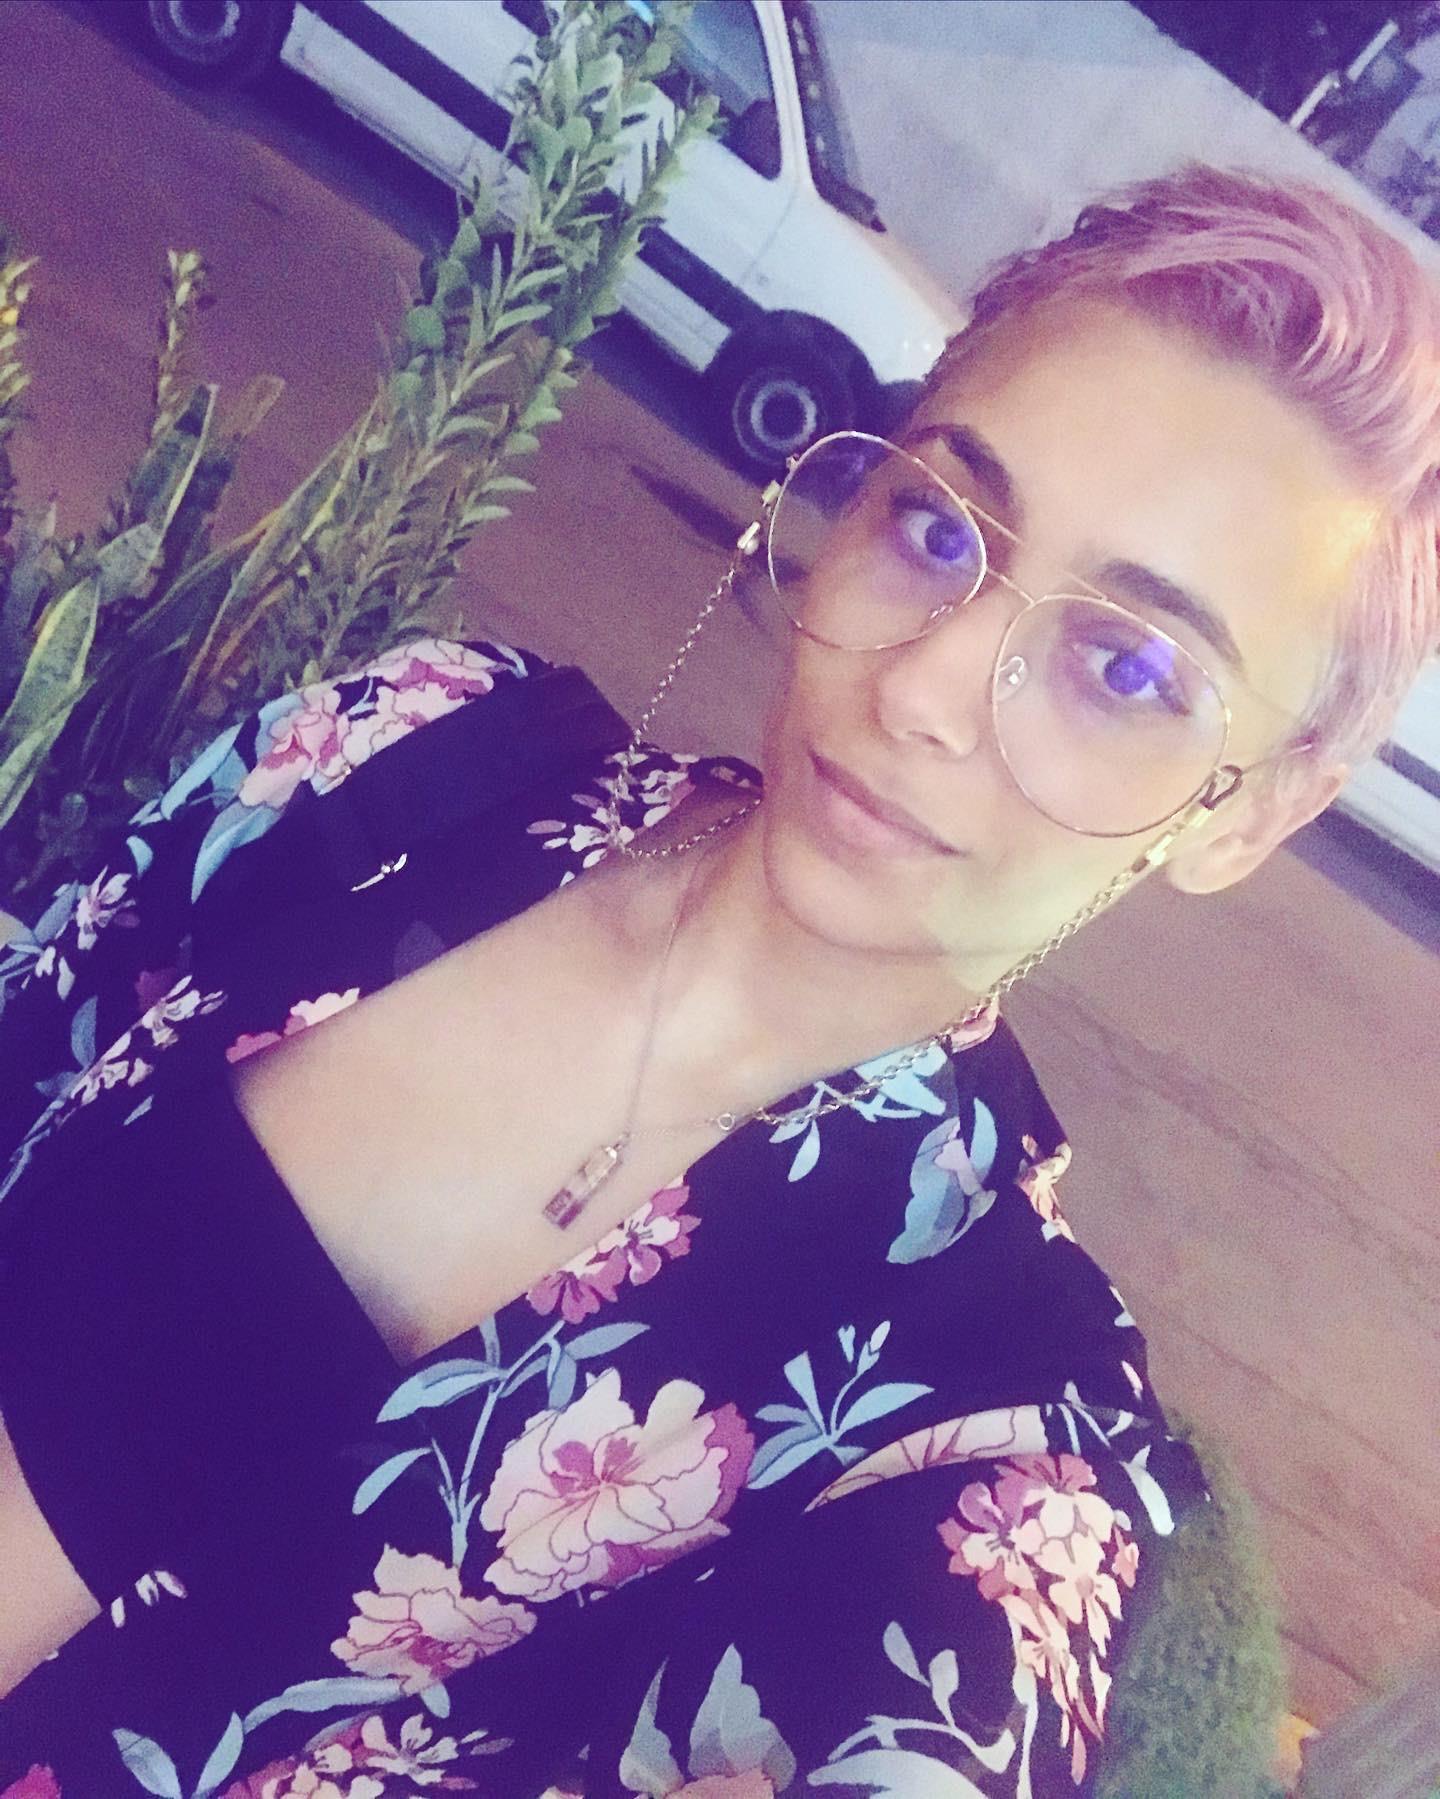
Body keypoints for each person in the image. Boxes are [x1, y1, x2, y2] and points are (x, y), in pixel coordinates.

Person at [0, 161, 1435, 1798]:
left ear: (1248, 810)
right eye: (940, 529)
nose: (928, 688)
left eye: (1128, 667)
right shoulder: (416, 756)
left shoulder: (986, 1405)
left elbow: (944, 1714)